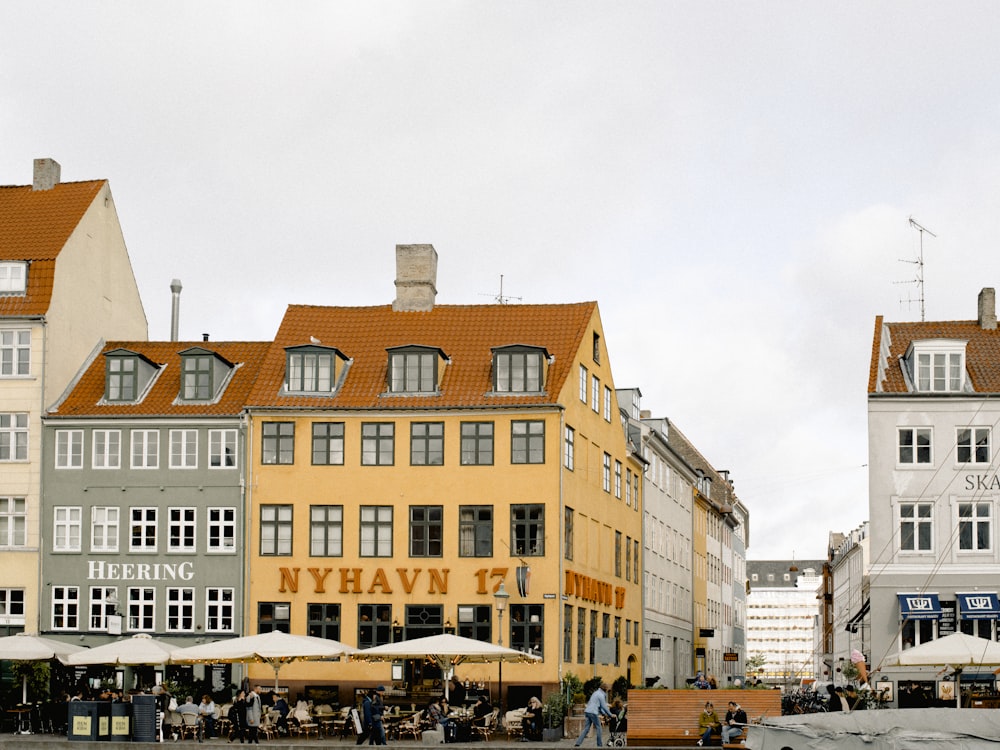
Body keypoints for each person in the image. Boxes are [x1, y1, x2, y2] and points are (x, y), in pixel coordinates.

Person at [573, 682, 614, 748]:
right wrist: (610, 714)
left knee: (586, 729)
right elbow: (603, 706)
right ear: (605, 689)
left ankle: (578, 743)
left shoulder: (595, 693)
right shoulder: (601, 695)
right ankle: (599, 745)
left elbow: (598, 706)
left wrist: (603, 713)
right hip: (593, 713)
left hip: (587, 711)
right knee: (599, 728)